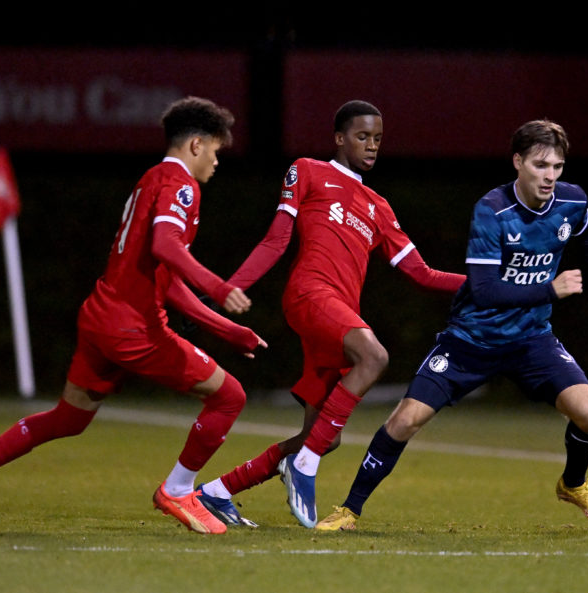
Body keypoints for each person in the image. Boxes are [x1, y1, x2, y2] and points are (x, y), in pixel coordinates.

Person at [0, 96, 267, 535]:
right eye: (217, 152)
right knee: (229, 396)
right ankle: (179, 490)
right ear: (197, 145)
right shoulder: (181, 185)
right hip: (133, 329)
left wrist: (229, 329)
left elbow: (166, 279)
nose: (218, 162)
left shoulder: (151, 180)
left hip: (101, 317)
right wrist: (222, 291)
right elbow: (166, 246)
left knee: (69, 418)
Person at [314, 119, 588, 531]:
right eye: (541, 165)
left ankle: (572, 484)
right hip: (470, 340)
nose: (551, 176)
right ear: (518, 162)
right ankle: (349, 510)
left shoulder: (571, 202)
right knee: (404, 420)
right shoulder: (492, 211)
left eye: (557, 166)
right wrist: (550, 291)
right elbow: (484, 291)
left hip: (531, 340)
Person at [192, 100, 465, 528]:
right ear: (339, 138)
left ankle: (217, 492)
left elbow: (423, 274)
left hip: (336, 317)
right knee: (373, 357)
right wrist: (227, 289)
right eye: (361, 136)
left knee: (324, 436)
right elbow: (275, 241)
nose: (371, 146)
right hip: (310, 295)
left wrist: (488, 285)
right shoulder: (307, 170)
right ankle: (304, 465)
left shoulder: (379, 207)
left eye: (377, 139)